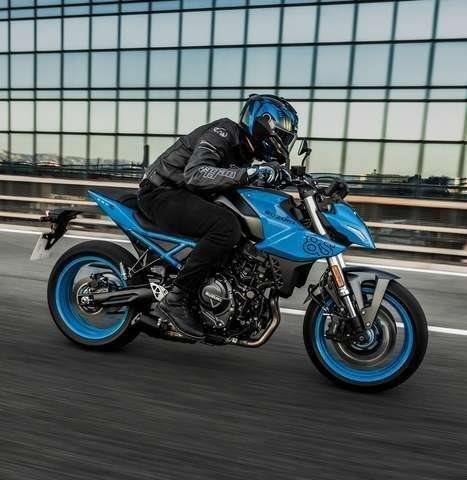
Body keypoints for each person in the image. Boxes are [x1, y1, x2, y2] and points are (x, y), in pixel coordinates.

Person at [137, 94, 299, 338]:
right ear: (263, 125)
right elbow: (196, 174)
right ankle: (176, 298)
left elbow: (233, 178)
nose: (283, 143)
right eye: (282, 137)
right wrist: (250, 173)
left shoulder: (246, 152)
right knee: (225, 227)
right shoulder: (224, 132)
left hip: (188, 194)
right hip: (162, 192)